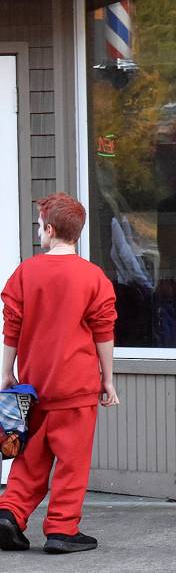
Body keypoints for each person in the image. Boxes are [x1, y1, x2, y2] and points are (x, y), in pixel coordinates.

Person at [0, 193, 119, 553]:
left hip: (34, 386)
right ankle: (62, 530)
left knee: (30, 456)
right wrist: (107, 379)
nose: (39, 231)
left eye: (40, 226)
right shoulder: (93, 277)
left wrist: (6, 372)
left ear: (50, 230)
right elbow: (104, 331)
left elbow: (12, 327)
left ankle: (10, 513)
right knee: (72, 460)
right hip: (76, 388)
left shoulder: (25, 272)